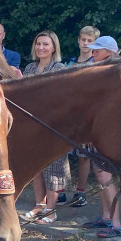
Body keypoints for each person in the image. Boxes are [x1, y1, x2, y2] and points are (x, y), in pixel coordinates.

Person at [22, 30, 71, 224]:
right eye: (38, 44)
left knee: (54, 169)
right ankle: (39, 205)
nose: (41, 47)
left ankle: (51, 210)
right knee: (36, 168)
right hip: (33, 125)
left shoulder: (59, 68)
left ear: (53, 48)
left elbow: (62, 98)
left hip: (53, 125)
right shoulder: (30, 68)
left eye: (45, 44)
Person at [78, 36, 121, 237]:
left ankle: (116, 224)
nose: (94, 53)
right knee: (99, 175)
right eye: (94, 50)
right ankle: (106, 217)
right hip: (98, 132)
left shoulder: (117, 75)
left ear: (110, 53)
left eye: (98, 50)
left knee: (106, 176)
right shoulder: (103, 72)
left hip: (109, 133)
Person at [64, 26, 102, 207]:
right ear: (78, 41)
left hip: (86, 118)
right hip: (69, 115)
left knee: (83, 156)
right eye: (83, 40)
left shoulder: (97, 64)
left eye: (90, 41)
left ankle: (80, 192)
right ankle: (59, 190)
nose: (86, 44)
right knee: (59, 152)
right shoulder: (70, 63)